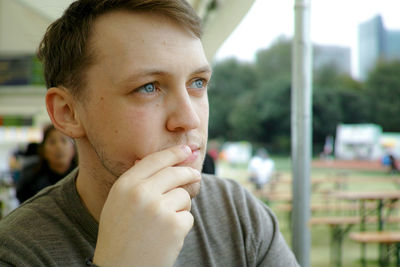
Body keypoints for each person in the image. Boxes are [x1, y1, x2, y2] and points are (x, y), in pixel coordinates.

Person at [0, 1, 299, 266]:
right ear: (68, 113)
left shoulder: (236, 214)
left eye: (197, 83)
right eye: (149, 87)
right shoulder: (18, 252)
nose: (190, 119)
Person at [16, 125, 77, 203]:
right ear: (43, 150)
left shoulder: (84, 176)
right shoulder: (30, 177)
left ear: (73, 149)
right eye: (52, 142)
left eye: (64, 140)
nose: (59, 146)